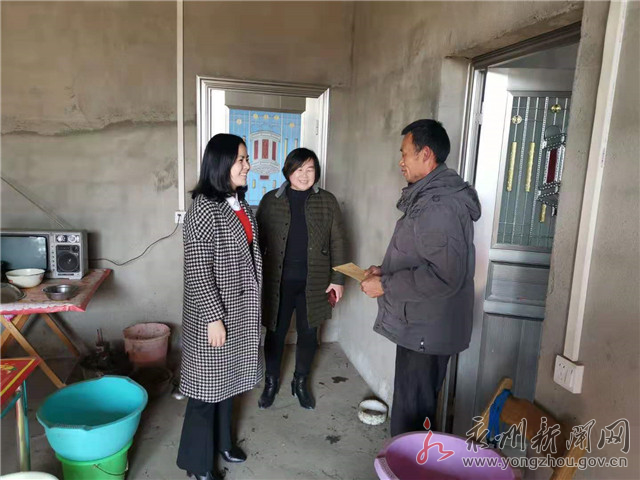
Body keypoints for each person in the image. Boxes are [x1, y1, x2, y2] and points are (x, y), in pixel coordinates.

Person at [361, 119, 481, 436]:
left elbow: (443, 276)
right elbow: (421, 257)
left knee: (412, 418)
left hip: (427, 330)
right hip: (422, 324)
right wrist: (384, 271)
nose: (401, 162)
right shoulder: (430, 197)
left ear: (425, 154)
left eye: (405, 154)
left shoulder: (439, 205)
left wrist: (385, 285)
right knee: (414, 408)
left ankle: (408, 462)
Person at [176, 133, 263, 480]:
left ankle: (224, 443)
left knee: (229, 382)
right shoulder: (203, 209)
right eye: (241, 159)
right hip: (214, 316)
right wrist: (213, 318)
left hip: (239, 312)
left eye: (246, 158)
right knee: (205, 391)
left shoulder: (239, 203)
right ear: (221, 164)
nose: (247, 165)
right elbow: (198, 269)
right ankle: (197, 464)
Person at [256, 147, 347, 410]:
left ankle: (300, 382)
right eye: (298, 169)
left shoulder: (327, 201)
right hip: (278, 282)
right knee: (275, 333)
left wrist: (338, 278)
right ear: (288, 171)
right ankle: (271, 382)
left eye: (310, 169)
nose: (304, 175)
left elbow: (339, 241)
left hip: (314, 282)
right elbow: (257, 242)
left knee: (309, 333)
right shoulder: (270, 200)